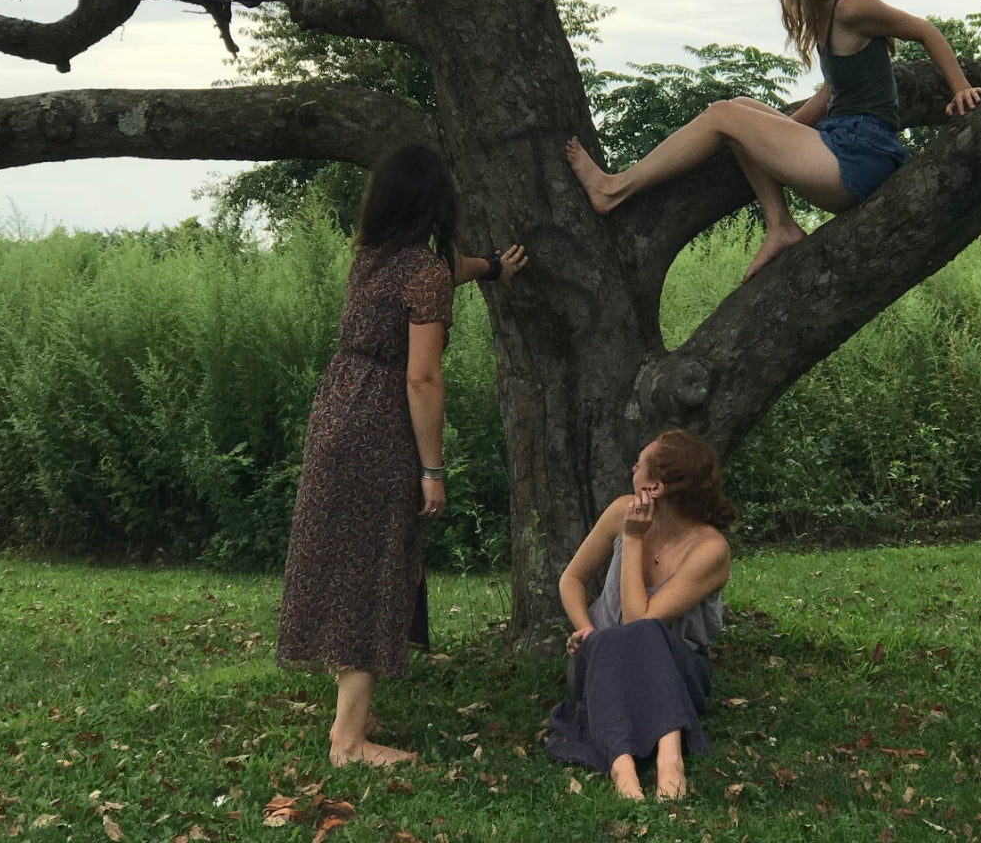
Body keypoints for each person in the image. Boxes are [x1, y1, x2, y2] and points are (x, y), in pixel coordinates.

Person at [566, 0, 981, 282]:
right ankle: (780, 225)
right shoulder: (826, 17)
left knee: (720, 114)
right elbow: (831, 93)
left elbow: (925, 30)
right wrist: (775, 131)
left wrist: (960, 87)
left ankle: (613, 188)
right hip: (842, 143)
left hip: (861, 153)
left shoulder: (852, 8)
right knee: (743, 111)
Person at [275, 144, 528, 768]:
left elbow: (443, 272)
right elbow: (422, 379)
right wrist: (433, 469)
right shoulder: (423, 273)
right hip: (380, 427)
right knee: (375, 567)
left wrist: (489, 267)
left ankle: (350, 711)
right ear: (437, 202)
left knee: (346, 560)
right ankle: (349, 742)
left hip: (337, 411)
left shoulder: (374, 259)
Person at [547, 429, 735, 800]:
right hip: (601, 662)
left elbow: (640, 625)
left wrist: (633, 540)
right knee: (609, 641)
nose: (633, 467)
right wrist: (585, 631)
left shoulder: (710, 548)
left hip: (676, 671)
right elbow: (571, 578)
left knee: (646, 636)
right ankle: (623, 767)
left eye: (641, 463)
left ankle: (669, 761)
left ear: (657, 488)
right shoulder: (621, 511)